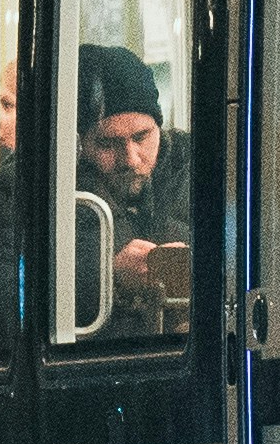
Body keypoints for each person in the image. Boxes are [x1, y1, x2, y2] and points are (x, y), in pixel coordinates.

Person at [68, 42, 194, 337]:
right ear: (79, 143)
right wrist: (108, 276)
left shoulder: (201, 169)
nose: (130, 158)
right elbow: (7, 307)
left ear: (159, 128)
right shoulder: (26, 189)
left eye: (142, 136)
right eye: (107, 144)